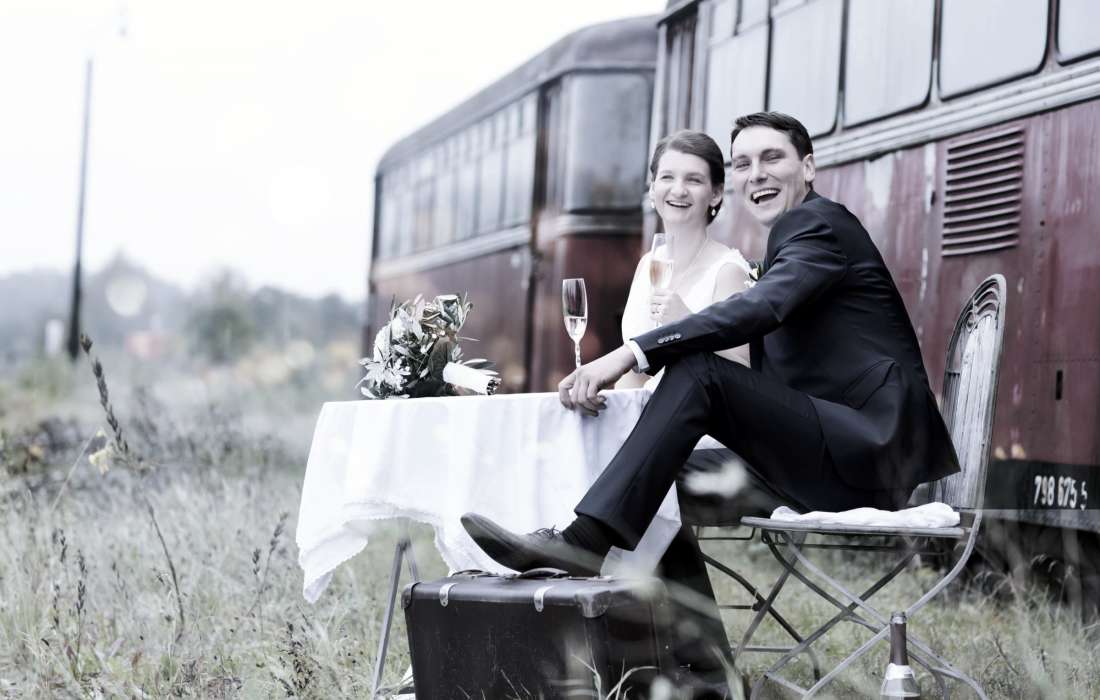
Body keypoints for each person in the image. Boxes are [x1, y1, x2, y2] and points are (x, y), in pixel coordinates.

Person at [461, 111, 961, 681]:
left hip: (867, 456)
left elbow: (760, 307)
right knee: (654, 477)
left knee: (698, 370)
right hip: (826, 452)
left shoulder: (820, 226)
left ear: (808, 167)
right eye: (743, 163)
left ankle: (581, 544)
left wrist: (632, 352)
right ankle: (707, 674)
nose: (756, 174)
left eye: (772, 158)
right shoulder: (790, 237)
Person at [615, 129, 751, 394]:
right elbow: (635, 371)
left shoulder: (727, 272)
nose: (678, 190)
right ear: (653, 188)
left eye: (694, 180)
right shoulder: (648, 264)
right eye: (667, 177)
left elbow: (743, 374)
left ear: (716, 194)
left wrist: (689, 324)